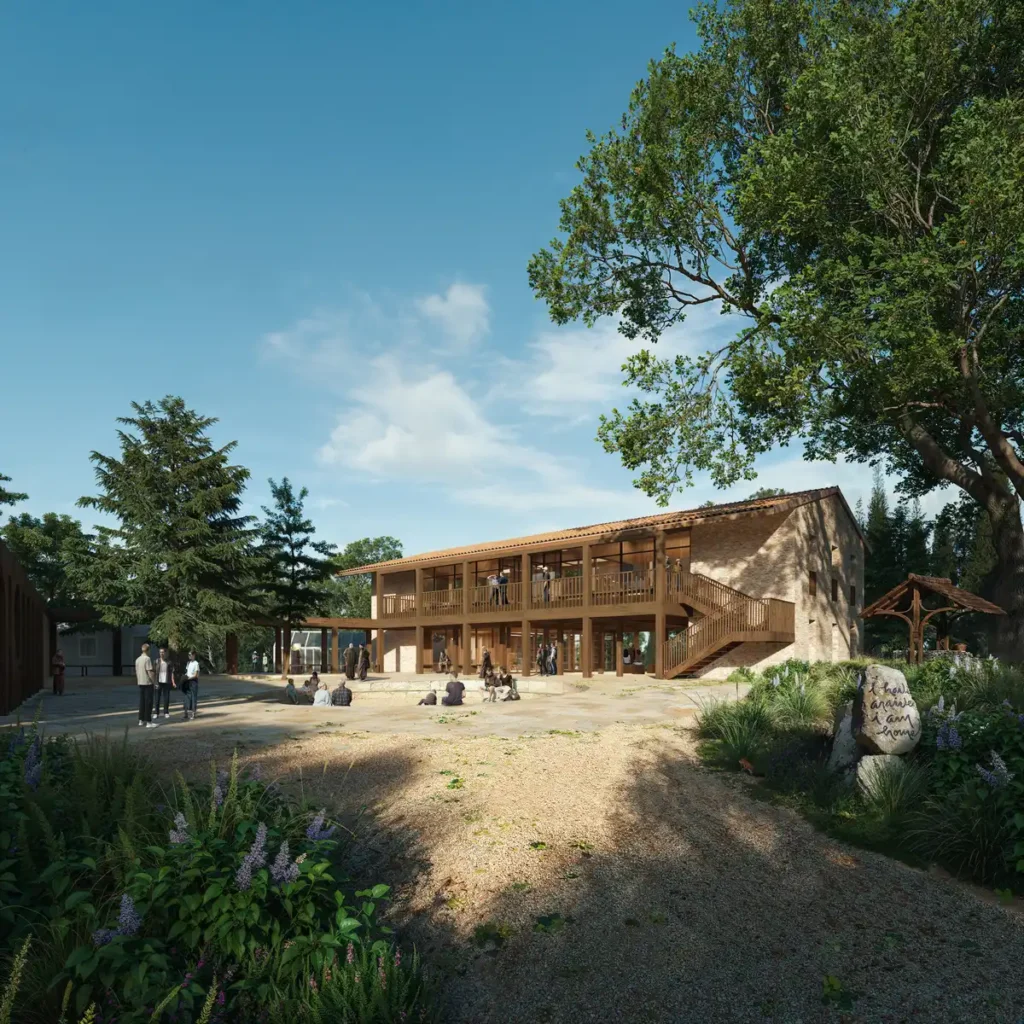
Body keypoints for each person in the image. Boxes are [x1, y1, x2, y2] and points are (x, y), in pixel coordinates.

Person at [135, 642, 157, 727]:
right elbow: (149, 672)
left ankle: (141, 720)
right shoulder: (147, 659)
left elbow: (137, 672)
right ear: (148, 650)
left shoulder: (137, 659)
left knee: (142, 702)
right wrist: (154, 682)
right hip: (148, 683)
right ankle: (148, 721)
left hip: (141, 682)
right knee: (148, 702)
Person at [155, 646, 176, 719]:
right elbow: (153, 672)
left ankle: (166, 712)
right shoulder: (157, 661)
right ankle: (156, 713)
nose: (161, 654)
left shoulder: (169, 662)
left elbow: (172, 672)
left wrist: (173, 681)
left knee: (166, 698)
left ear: (165, 653)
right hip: (158, 682)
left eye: (163, 652)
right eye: (160, 652)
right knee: (157, 698)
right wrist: (153, 682)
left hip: (166, 682)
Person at [182, 649, 200, 721]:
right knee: (186, 697)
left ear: (194, 655)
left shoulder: (196, 663)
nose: (189, 656)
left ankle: (193, 714)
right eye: (188, 655)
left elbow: (196, 675)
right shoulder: (188, 663)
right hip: (187, 681)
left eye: (190, 655)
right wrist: (184, 677)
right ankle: (186, 713)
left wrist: (189, 678)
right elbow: (187, 672)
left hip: (193, 682)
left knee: (193, 698)